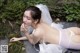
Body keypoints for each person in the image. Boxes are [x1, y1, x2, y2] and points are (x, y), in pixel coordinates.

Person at [10, 6, 80, 50]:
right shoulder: (41, 20)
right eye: (24, 16)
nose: (24, 20)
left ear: (36, 20)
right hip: (68, 31)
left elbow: (32, 41)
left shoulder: (37, 32)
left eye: (28, 18)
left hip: (69, 40)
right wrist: (18, 38)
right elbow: (32, 36)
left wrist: (25, 32)